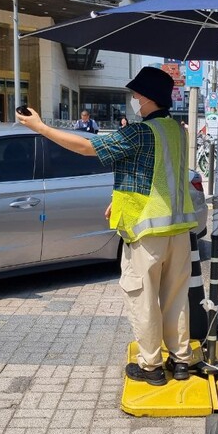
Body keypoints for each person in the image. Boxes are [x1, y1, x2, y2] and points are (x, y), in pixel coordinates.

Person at [16, 67, 198, 386]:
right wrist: (120, 198)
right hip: (179, 231)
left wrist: (40, 126)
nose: (134, 101)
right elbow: (155, 174)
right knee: (175, 298)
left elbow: (89, 148)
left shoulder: (140, 133)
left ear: (147, 98)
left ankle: (152, 366)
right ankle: (181, 361)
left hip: (147, 234)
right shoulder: (177, 130)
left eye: (136, 96)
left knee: (143, 298)